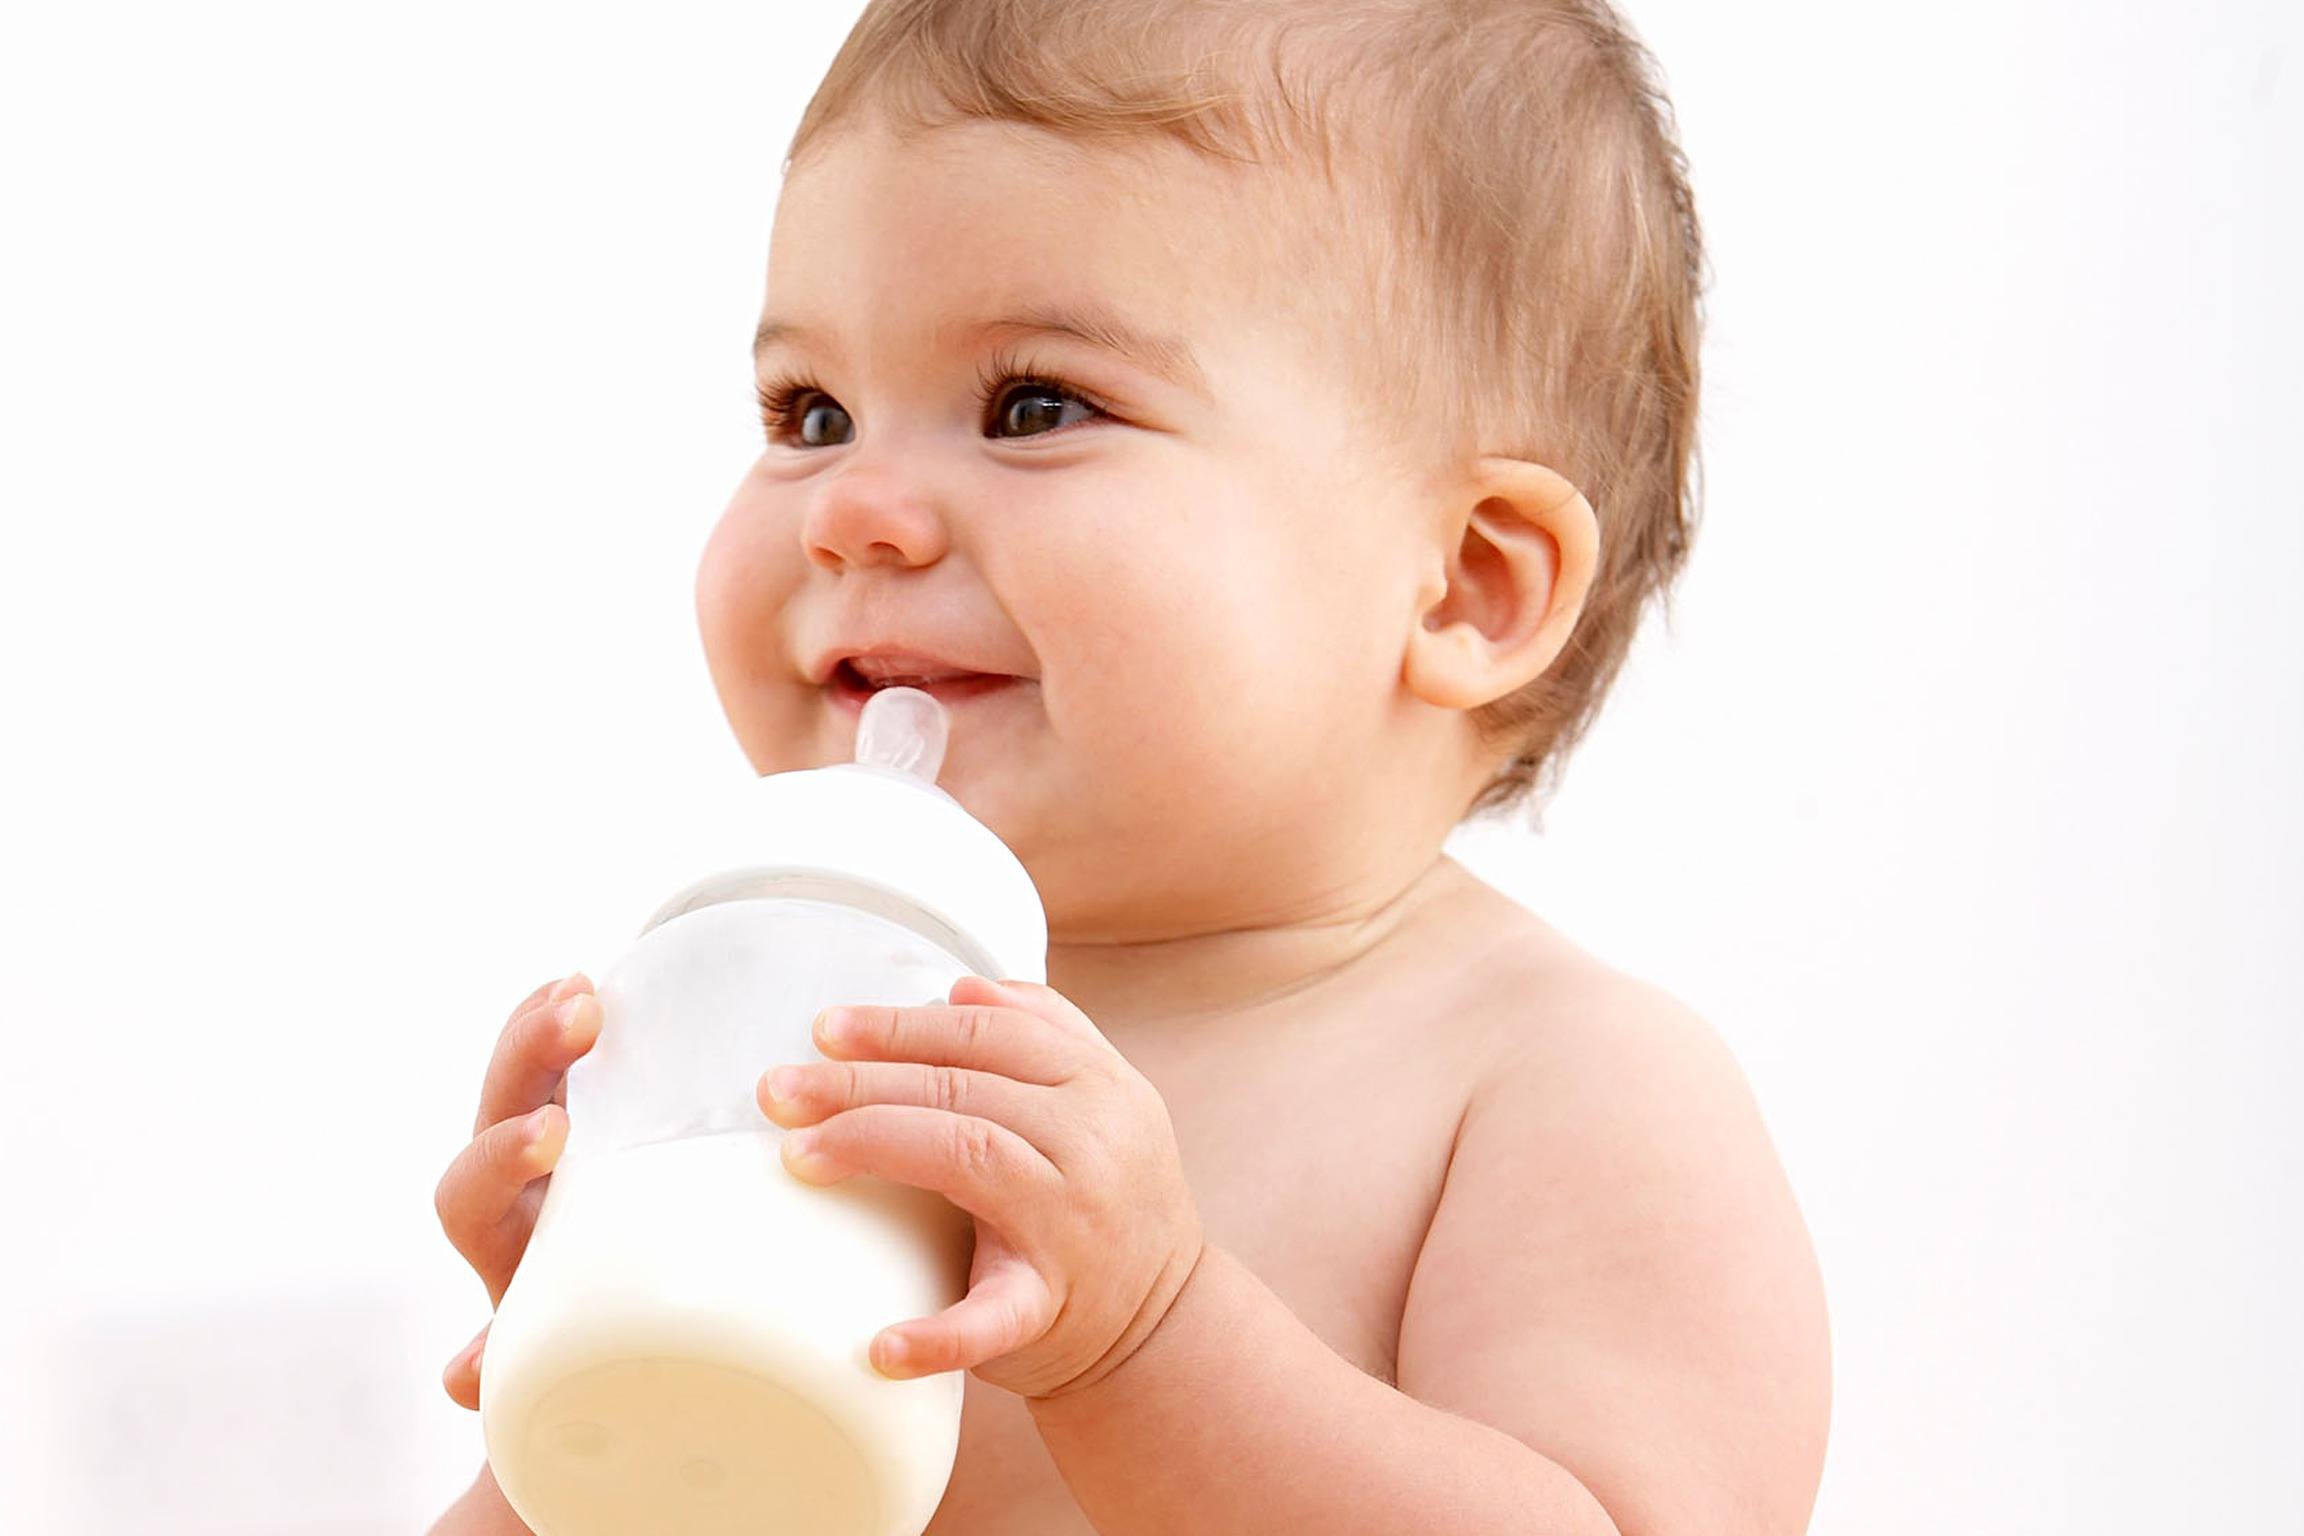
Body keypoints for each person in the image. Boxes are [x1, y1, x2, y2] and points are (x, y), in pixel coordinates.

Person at [432, 1, 1829, 1530]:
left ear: (1464, 585)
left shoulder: (1551, 1085)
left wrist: (1153, 1337)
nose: (855, 510)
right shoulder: (798, 1055)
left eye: (1035, 406)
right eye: (810, 413)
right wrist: (607, 1382)